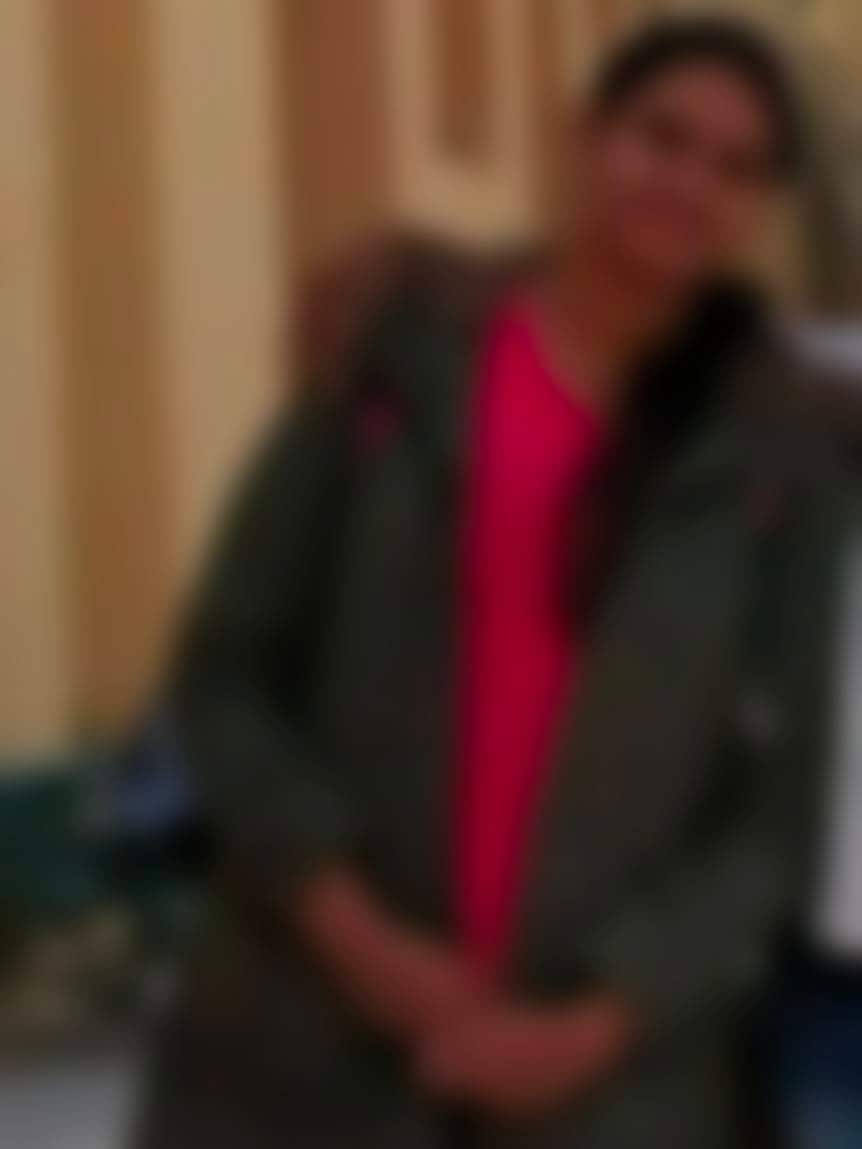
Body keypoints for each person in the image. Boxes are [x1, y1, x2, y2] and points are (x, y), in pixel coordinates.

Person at [134, 17, 845, 1149]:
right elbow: (225, 673)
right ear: (585, 137)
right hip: (307, 1053)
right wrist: (361, 942)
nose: (690, 183)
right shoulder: (395, 357)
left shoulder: (779, 452)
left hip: (611, 1093)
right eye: (662, 138)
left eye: (735, 166)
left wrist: (596, 1025)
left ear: (758, 209)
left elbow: (775, 815)